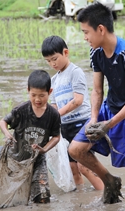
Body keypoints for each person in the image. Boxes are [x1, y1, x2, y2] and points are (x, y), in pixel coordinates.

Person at [68, 3, 125, 211]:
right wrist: (95, 119)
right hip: (109, 109)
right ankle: (110, 180)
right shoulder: (95, 52)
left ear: (101, 29)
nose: (84, 37)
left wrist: (109, 125)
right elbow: (97, 91)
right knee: (76, 149)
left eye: (86, 32)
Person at [41, 35, 104, 190]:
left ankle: (106, 193)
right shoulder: (54, 80)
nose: (52, 63)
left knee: (84, 166)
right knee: (73, 169)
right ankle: (80, 198)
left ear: (66, 52)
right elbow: (54, 106)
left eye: (54, 59)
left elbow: (78, 101)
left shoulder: (75, 72)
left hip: (81, 124)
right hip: (65, 127)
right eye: (48, 61)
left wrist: (57, 115)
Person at [0, 69, 61, 204]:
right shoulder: (20, 111)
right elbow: (3, 122)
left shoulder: (53, 115)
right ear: (28, 90)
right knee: (16, 198)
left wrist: (44, 149)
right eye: (33, 95)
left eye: (42, 95)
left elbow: (56, 137)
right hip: (17, 160)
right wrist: (7, 133)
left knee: (43, 196)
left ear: (50, 92)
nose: (37, 99)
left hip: (38, 159)